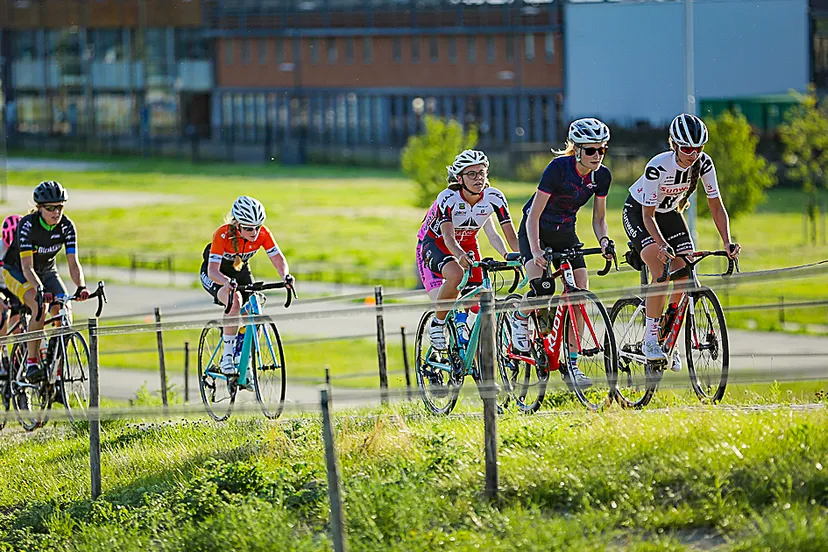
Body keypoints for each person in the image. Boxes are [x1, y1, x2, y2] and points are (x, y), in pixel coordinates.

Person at [622, 113, 740, 370]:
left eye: (698, 148)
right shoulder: (658, 165)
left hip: (670, 215)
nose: (693, 154)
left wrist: (727, 242)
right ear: (674, 144)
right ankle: (650, 340)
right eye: (687, 148)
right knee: (660, 271)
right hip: (641, 214)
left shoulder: (704, 164)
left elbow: (716, 206)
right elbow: (648, 215)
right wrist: (662, 246)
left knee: (685, 273)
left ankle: (668, 339)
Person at [510, 118, 615, 387]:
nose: (597, 156)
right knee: (542, 288)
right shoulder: (558, 169)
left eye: (601, 150)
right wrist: (535, 251)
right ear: (576, 149)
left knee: (580, 292)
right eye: (590, 150)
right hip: (537, 229)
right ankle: (520, 316)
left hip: (566, 231)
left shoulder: (602, 176)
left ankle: (572, 363)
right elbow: (533, 216)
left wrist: (604, 241)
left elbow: (599, 219)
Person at [416, 149, 519, 350]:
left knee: (480, 296)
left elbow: (503, 235)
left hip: (468, 246)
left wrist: (514, 256)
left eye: (481, 173)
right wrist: (460, 256)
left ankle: (468, 340)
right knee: (454, 277)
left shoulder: (493, 198)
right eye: (471, 174)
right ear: (459, 178)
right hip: (435, 244)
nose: (478, 178)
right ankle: (437, 325)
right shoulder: (448, 197)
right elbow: (448, 237)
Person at [1, 182, 89, 382]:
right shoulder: (27, 225)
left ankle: (56, 375)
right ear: (40, 208)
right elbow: (26, 267)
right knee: (39, 305)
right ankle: (32, 362)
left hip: (47, 271)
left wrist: (81, 287)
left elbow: (74, 263)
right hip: (17, 271)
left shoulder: (67, 226)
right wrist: (39, 289)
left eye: (60, 207)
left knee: (64, 313)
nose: (56, 212)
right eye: (50, 208)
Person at [200, 196, 293, 375]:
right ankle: (227, 357)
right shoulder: (222, 234)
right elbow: (212, 270)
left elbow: (277, 258)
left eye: (258, 227)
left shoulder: (263, 233)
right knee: (234, 300)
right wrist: (226, 282)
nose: (255, 232)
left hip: (240, 270)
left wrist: (286, 276)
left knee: (254, 307)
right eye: (249, 228)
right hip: (217, 273)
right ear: (237, 224)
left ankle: (244, 358)